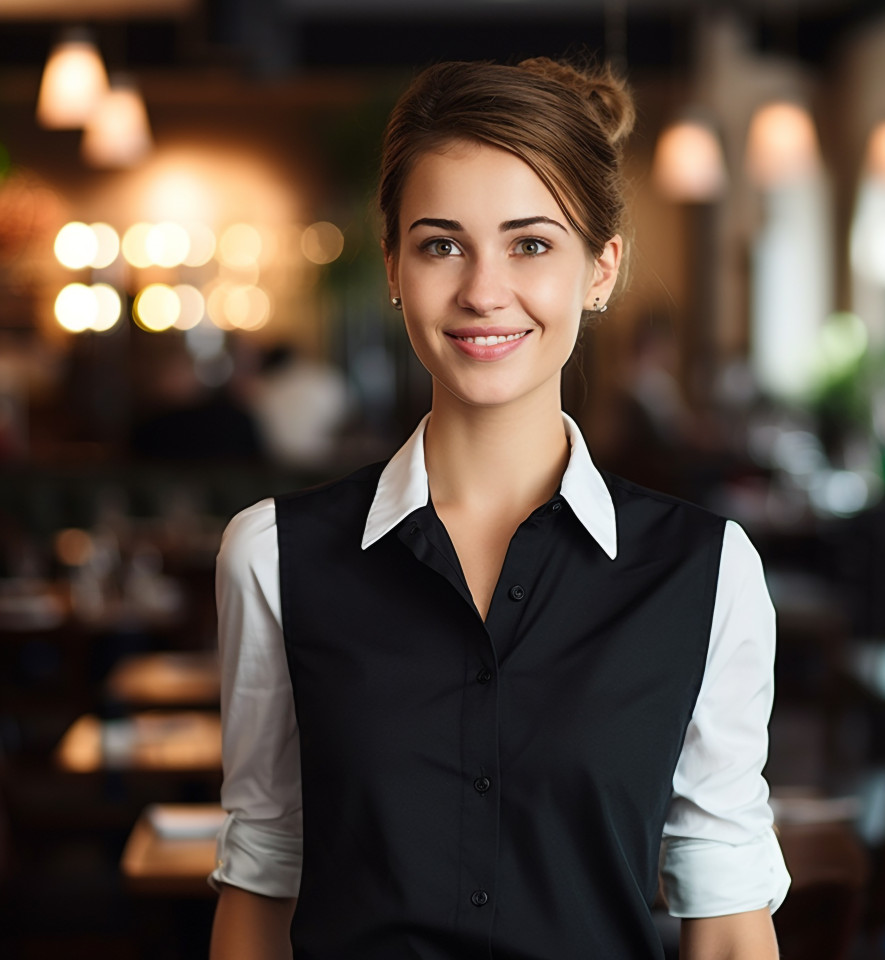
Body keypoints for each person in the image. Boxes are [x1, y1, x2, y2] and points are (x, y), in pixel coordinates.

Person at [208, 58, 790, 960]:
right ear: (394, 266)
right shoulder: (272, 556)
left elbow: (726, 917)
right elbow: (262, 879)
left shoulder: (706, 572)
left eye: (531, 245)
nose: (483, 291)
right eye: (441, 245)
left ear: (600, 270)